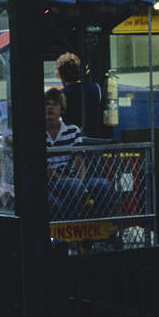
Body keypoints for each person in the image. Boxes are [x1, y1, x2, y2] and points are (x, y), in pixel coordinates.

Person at [44, 87, 113, 221]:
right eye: (47, 104)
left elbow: (79, 161)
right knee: (72, 185)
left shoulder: (72, 130)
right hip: (50, 182)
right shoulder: (36, 132)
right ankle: (73, 228)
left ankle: (99, 230)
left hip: (73, 179)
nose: (50, 108)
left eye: (55, 104)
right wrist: (67, 180)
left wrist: (81, 182)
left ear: (61, 109)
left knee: (102, 185)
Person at [55, 52, 102, 137]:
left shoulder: (60, 95)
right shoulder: (95, 88)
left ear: (60, 74)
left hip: (71, 139)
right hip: (94, 137)